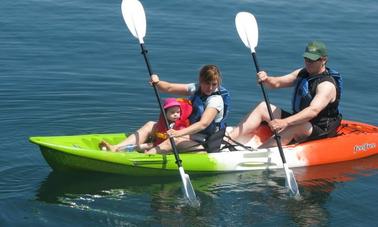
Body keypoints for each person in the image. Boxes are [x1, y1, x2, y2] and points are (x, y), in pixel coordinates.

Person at [228, 40, 342, 148]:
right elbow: (277, 83)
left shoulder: (326, 85)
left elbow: (313, 111)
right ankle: (227, 139)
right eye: (306, 59)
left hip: (320, 129)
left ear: (324, 60)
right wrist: (266, 79)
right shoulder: (303, 73)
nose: (308, 63)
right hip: (301, 121)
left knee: (295, 126)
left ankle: (259, 152)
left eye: (312, 60)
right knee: (263, 107)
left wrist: (284, 122)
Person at [146, 64, 230, 154]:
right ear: (201, 81)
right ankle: (129, 147)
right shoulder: (196, 88)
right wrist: (157, 82)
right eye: (207, 83)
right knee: (151, 125)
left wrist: (178, 133)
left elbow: (203, 124)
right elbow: (169, 88)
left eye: (214, 84)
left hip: (205, 142)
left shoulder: (215, 100)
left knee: (174, 140)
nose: (210, 88)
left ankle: (143, 159)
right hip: (191, 135)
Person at [99, 97, 192, 152]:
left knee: (144, 147)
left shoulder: (180, 125)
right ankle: (117, 148)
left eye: (178, 112)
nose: (176, 114)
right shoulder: (162, 122)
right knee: (141, 146)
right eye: (172, 112)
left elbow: (180, 137)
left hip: (167, 147)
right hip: (157, 143)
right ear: (165, 113)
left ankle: (142, 153)